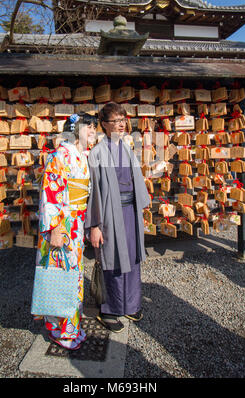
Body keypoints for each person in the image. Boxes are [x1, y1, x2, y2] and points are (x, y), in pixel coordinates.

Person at [33, 113, 97, 350]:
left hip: (76, 222)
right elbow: (51, 194)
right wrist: (55, 228)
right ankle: (60, 331)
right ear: (76, 129)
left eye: (94, 129)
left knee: (74, 276)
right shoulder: (60, 155)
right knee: (61, 276)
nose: (93, 133)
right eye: (89, 128)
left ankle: (73, 327)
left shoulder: (81, 155)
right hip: (63, 223)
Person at [85, 102, 150, 333]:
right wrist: (94, 225)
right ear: (104, 124)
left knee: (131, 257)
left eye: (123, 119)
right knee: (111, 258)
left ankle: (130, 304)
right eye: (115, 120)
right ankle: (109, 309)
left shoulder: (126, 147)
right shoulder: (97, 153)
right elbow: (92, 193)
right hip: (109, 214)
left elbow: (135, 183)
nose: (121, 124)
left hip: (129, 212)